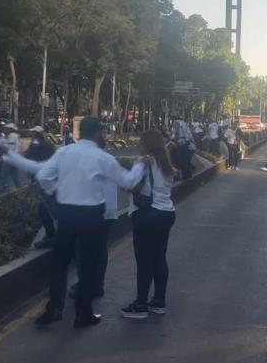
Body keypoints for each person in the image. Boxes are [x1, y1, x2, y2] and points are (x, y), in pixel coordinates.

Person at [31, 117, 136, 328]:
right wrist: (141, 167)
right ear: (98, 132)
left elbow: (42, 175)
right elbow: (127, 182)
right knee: (88, 265)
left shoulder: (64, 152)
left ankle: (54, 308)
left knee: (60, 263)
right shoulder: (102, 157)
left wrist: (56, 193)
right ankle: (83, 313)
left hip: (67, 213)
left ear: (79, 132)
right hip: (92, 216)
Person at [121, 128, 180, 319]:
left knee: (144, 262)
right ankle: (158, 301)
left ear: (147, 145)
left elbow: (129, 184)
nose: (138, 147)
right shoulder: (166, 164)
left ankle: (140, 305)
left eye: (140, 143)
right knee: (159, 259)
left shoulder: (144, 163)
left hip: (148, 216)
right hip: (166, 214)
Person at [26, 126, 59, 248]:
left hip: (47, 180)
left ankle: (53, 235)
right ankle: (51, 234)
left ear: (38, 134)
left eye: (34, 133)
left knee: (45, 208)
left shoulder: (44, 146)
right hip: (43, 178)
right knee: (44, 207)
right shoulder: (43, 145)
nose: (32, 135)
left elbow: (31, 159)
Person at [0, 122, 23, 193]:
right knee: (14, 176)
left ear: (10, 129)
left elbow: (12, 148)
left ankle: (1, 190)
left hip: (10, 159)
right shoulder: (10, 136)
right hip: (13, 159)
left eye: (6, 128)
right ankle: (20, 188)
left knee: (3, 175)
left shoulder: (12, 136)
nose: (4, 129)